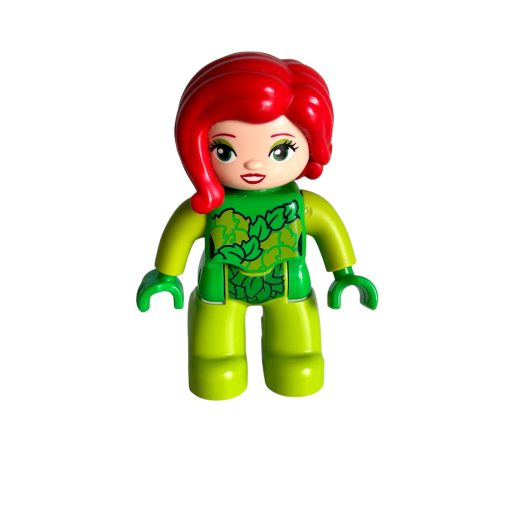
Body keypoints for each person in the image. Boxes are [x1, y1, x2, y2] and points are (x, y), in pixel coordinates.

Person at [137, 52, 378, 400]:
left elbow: (329, 230)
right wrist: (166, 275)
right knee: (215, 357)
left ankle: (295, 359)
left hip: (289, 287)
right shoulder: (208, 206)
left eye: (280, 151)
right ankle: (215, 363)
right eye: (224, 150)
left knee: (298, 353)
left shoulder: (303, 206)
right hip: (221, 289)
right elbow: (181, 232)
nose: (253, 164)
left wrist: (345, 273)